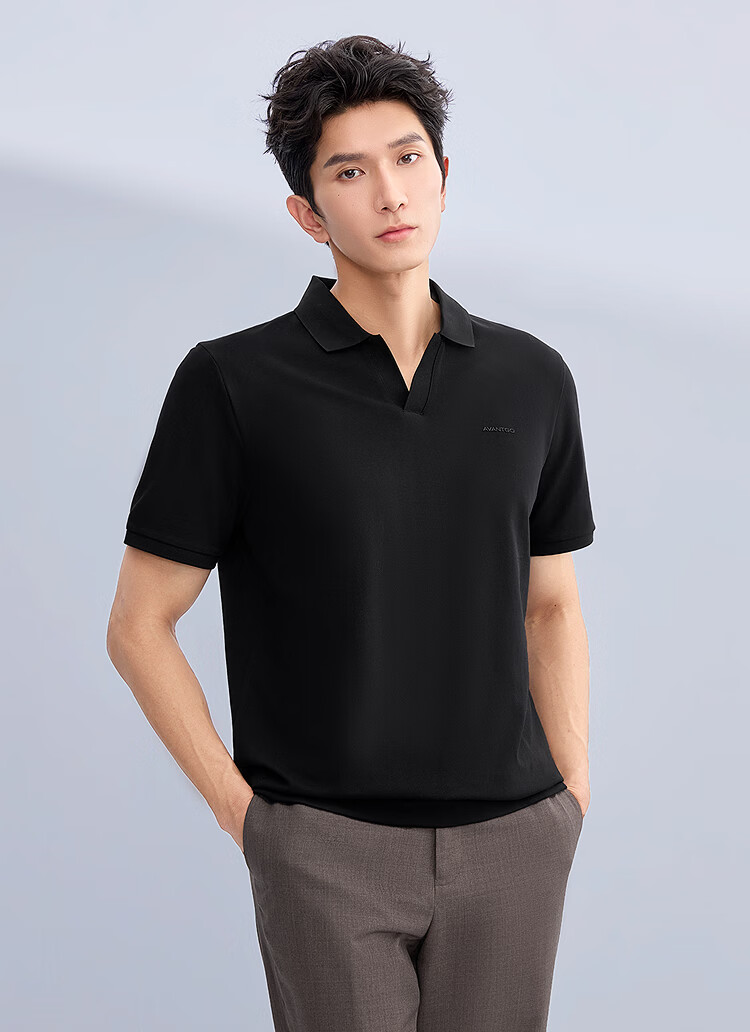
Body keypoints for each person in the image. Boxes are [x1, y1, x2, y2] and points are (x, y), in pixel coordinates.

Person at [107, 33, 596, 1032]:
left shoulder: (533, 378)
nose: (390, 192)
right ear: (306, 212)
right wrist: (249, 819)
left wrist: (569, 796)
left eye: (408, 158)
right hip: (323, 847)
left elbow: (550, 606)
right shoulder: (233, 384)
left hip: (516, 840)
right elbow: (138, 624)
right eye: (349, 171)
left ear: (445, 175)